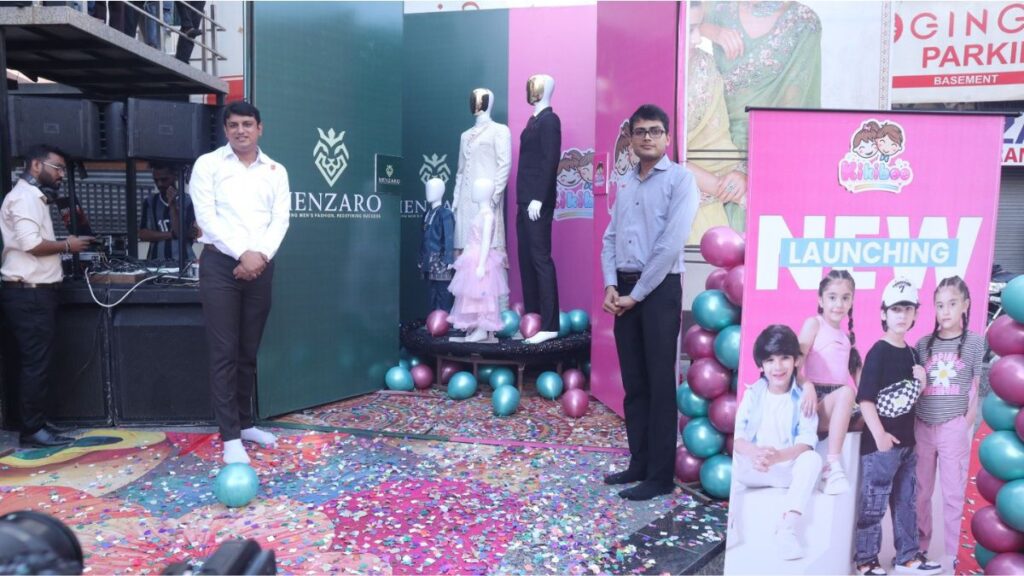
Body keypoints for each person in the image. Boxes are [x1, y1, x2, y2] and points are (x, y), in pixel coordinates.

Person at [600, 104, 699, 500]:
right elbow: (610, 237)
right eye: (639, 131)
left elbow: (670, 244)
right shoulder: (625, 182)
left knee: (660, 384)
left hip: (658, 291)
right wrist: (611, 285)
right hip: (624, 290)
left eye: (655, 131)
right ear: (630, 139)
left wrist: (636, 294)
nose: (646, 137)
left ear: (667, 138)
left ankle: (659, 476)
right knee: (634, 384)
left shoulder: (681, 180)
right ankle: (638, 463)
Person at [190, 101, 290, 465]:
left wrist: (258, 255)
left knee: (248, 350)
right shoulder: (208, 165)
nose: (240, 130)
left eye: (247, 124)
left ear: (260, 128)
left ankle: (245, 424)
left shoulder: (276, 170)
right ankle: (230, 435)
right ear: (225, 130)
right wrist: (242, 254)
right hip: (220, 264)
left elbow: (280, 219)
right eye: (233, 125)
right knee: (224, 353)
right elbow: (207, 218)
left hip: (261, 265)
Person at [0, 144, 93, 447]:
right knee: (35, 364)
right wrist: (68, 246)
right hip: (30, 295)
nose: (61, 174)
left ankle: (35, 421)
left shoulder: (33, 198)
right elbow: (31, 245)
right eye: (58, 168)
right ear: (36, 166)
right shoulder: (25, 198)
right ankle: (32, 429)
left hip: (34, 294)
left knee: (35, 362)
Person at [854, 277, 942, 576]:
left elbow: (908, 399)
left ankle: (907, 556)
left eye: (907, 309)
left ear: (916, 313)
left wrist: (922, 381)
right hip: (881, 447)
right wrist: (879, 435)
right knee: (873, 505)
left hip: (907, 445)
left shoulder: (912, 353)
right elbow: (865, 399)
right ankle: (866, 559)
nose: (902, 315)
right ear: (883, 313)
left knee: (906, 502)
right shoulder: (878, 352)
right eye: (895, 309)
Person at [730, 324, 822, 561]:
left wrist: (778, 457)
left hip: (784, 470)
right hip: (754, 469)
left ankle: (787, 528)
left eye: (784, 358)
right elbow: (738, 435)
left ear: (796, 361)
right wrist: (754, 452)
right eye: (770, 360)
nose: (778, 367)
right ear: (761, 365)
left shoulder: (803, 398)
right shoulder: (753, 394)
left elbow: (807, 441)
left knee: (812, 459)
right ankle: (730, 525)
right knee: (733, 457)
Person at [914, 276, 984, 569]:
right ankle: (919, 548)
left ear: (965, 305)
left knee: (954, 493)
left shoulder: (974, 343)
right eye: (940, 305)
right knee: (920, 492)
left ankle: (955, 553)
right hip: (922, 425)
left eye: (952, 304)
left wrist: (965, 422)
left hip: (953, 426)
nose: (945, 311)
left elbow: (976, 385)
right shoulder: (922, 344)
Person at [701, 1, 822, 151]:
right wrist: (709, 30)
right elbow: (680, 17)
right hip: (712, 137)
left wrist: (764, 152)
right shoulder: (720, 8)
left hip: (766, 141)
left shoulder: (803, 22)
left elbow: (794, 103)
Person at [684, 0, 748, 241]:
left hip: (715, 206)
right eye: (690, 29)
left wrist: (739, 175)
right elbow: (662, 158)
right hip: (662, 212)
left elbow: (719, 137)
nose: (697, 38)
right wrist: (729, 190)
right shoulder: (642, 76)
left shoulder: (706, 66)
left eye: (700, 27)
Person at [797, 269, 863, 495]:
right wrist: (806, 385)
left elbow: (862, 383)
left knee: (874, 414)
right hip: (815, 402)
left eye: (845, 298)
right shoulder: (814, 324)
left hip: (840, 404)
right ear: (820, 300)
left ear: (852, 301)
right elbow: (794, 365)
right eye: (832, 297)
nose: (839, 304)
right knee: (846, 392)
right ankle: (831, 466)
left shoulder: (846, 338)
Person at [453, 88, 511, 309]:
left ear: (489, 102)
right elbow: (460, 171)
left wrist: (495, 197)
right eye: (473, 99)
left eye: (480, 99)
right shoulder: (464, 136)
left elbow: (504, 164)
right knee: (467, 253)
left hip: (487, 199)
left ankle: (500, 309)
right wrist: (456, 199)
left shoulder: (499, 131)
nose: (475, 103)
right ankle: (467, 310)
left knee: (491, 250)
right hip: (466, 200)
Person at [516, 74, 561, 345]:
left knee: (541, 259)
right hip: (524, 200)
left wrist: (539, 198)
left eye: (536, 85)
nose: (531, 89)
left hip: (536, 201)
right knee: (526, 259)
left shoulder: (550, 121)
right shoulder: (533, 120)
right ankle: (533, 319)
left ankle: (550, 324)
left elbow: (550, 160)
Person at [447, 178, 508, 343]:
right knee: (471, 296)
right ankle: (476, 328)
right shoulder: (480, 213)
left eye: (476, 189)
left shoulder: (488, 216)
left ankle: (482, 329)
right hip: (471, 256)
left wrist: (481, 265)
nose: (473, 192)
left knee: (482, 295)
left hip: (480, 258)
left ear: (485, 193)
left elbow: (486, 242)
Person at [139, 162, 198, 261]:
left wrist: (172, 206)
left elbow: (183, 233)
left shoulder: (188, 202)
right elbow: (143, 234)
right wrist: (172, 234)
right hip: (155, 262)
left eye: (164, 179)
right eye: (156, 180)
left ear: (175, 176)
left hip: (183, 261)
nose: (159, 184)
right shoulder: (150, 202)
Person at [418, 177, 455, 312]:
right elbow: (423, 238)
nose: (428, 192)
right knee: (431, 293)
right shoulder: (427, 214)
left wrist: (449, 259)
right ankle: (434, 320)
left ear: (441, 192)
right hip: (428, 260)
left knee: (443, 293)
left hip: (441, 261)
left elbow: (449, 237)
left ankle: (444, 320)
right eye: (427, 189)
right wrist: (421, 257)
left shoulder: (446, 214)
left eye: (432, 189)